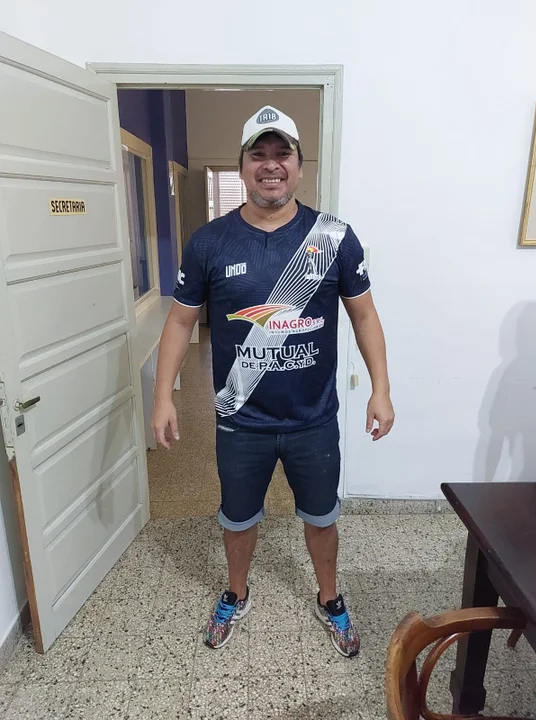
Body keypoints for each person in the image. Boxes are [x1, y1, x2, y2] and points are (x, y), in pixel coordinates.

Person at [152, 105, 394, 658]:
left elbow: (364, 315)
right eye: (257, 154)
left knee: (322, 518)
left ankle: (329, 597)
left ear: (299, 166)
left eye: (281, 153)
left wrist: (380, 389)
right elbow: (181, 321)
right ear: (242, 166)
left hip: (314, 419)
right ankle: (236, 594)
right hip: (241, 420)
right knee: (237, 520)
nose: (270, 165)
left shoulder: (333, 237)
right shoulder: (210, 242)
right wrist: (163, 395)